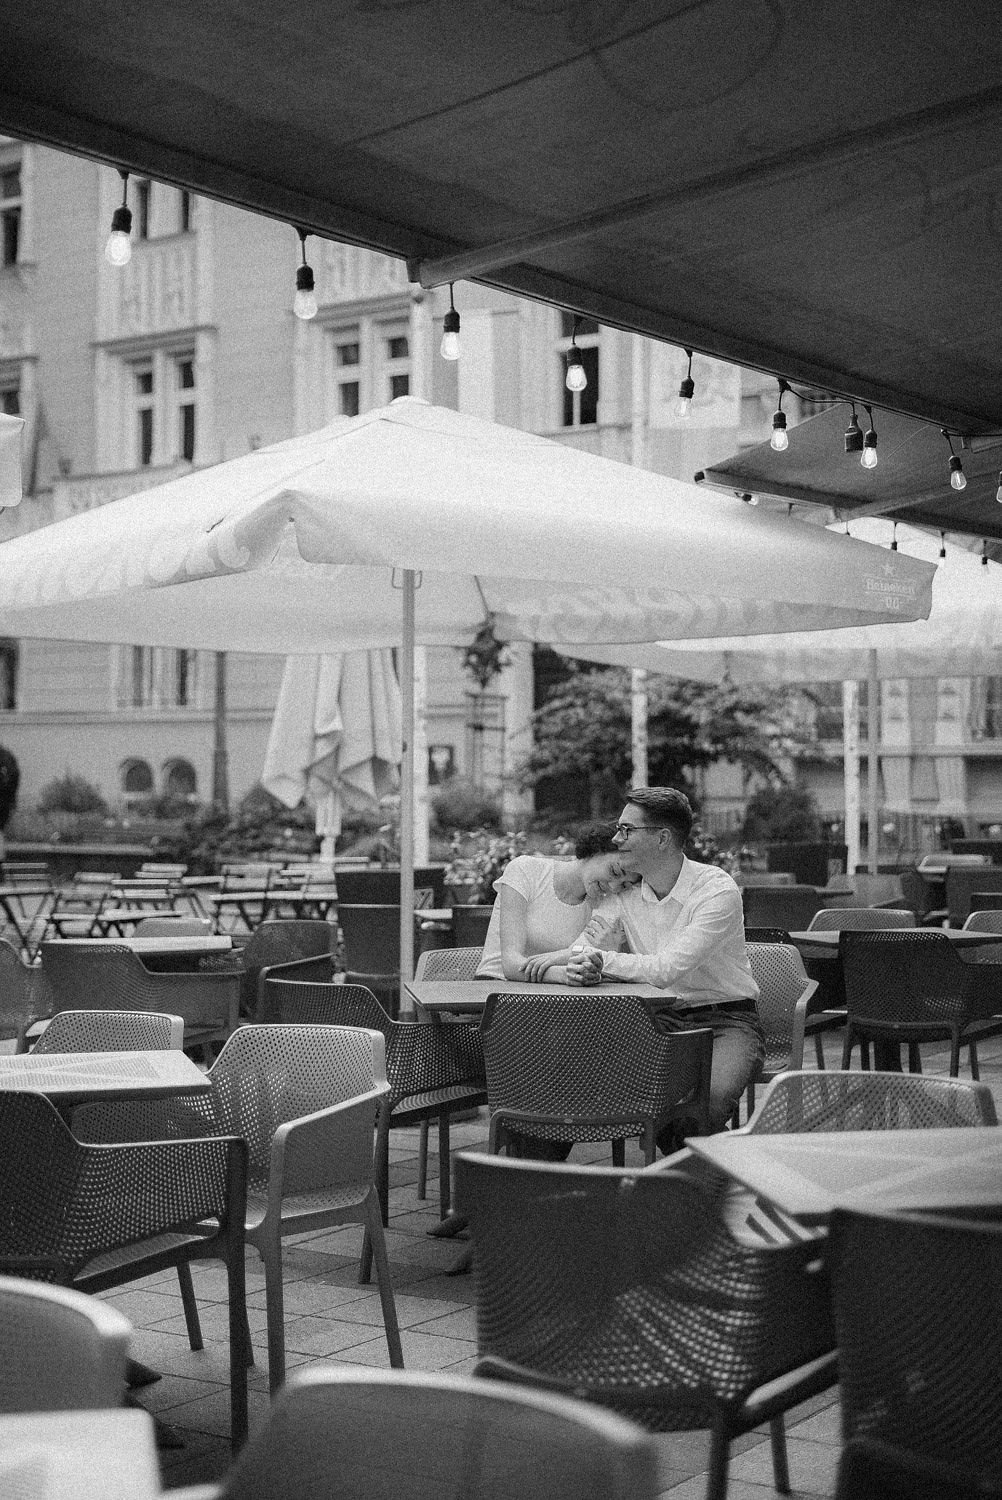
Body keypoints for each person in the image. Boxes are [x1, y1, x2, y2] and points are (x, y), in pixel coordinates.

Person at [567, 786, 765, 1139]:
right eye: (619, 828)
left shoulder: (715, 890)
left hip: (726, 1021)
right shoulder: (624, 894)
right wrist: (583, 963)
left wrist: (602, 960)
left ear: (662, 838)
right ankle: (534, 1184)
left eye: (628, 830)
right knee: (571, 1084)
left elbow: (665, 970)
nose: (617, 838)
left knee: (707, 1101)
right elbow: (581, 949)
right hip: (656, 1020)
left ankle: (696, 1186)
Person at [475, 825, 640, 982]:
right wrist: (564, 974)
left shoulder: (604, 903)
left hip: (555, 997)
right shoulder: (526, 870)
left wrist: (608, 952)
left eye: (624, 885)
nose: (613, 886)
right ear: (597, 850)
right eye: (615, 872)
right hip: (495, 989)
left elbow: (593, 963)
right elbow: (511, 965)